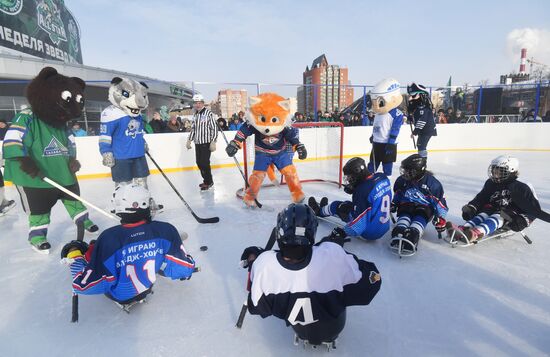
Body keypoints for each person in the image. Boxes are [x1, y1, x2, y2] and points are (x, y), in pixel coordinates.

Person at [240, 203, 381, 347]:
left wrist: (254, 261)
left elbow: (256, 306)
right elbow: (372, 281)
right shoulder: (332, 254)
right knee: (340, 286)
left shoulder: (264, 264)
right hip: (334, 327)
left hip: (300, 328)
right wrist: (335, 250)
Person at [61, 184, 196, 307]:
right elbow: (185, 269)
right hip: (146, 288)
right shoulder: (166, 230)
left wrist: (75, 256)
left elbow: (83, 286)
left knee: (97, 251)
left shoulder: (108, 238)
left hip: (121, 296)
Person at [447, 155, 550, 242]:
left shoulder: (522, 186)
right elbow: (482, 197)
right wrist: (472, 207)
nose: (495, 174)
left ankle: (476, 233)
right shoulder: (491, 182)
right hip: (493, 207)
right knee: (483, 213)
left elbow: (533, 210)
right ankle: (465, 228)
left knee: (498, 216)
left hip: (511, 214)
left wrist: (523, 220)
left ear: (510, 171)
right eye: (494, 170)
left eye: (499, 172)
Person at [308, 157, 392, 241]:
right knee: (353, 205)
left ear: (358, 173)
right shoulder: (382, 177)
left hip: (370, 233)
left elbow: (359, 225)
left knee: (338, 205)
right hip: (384, 227)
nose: (348, 179)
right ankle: (325, 210)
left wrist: (343, 232)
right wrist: (356, 188)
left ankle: (320, 211)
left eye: (350, 177)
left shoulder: (362, 191)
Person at [390, 154, 448, 254]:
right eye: (405, 170)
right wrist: (394, 203)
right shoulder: (401, 180)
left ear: (418, 171)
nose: (405, 173)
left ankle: (414, 233)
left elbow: (440, 203)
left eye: (408, 171)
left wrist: (441, 218)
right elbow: (398, 194)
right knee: (401, 223)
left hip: (424, 208)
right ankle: (401, 228)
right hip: (406, 205)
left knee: (419, 218)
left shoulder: (433, 184)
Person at [369, 78, 405, 176]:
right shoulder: (378, 113)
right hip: (377, 143)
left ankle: (387, 180)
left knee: (387, 165)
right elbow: (377, 126)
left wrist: (391, 142)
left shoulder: (396, 113)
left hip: (388, 144)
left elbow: (395, 128)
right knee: (372, 164)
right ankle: (369, 180)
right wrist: (373, 135)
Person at [186, 94, 218, 191]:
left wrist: (213, 141)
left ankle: (209, 181)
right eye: (196, 103)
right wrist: (189, 140)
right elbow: (194, 129)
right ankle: (206, 180)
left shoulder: (209, 114)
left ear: (203, 103)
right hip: (197, 143)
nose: (198, 105)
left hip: (206, 143)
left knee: (204, 163)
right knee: (199, 163)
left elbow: (214, 129)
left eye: (199, 103)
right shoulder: (195, 115)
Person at [407, 83, 437, 159]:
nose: (411, 97)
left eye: (414, 95)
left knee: (421, 145)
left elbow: (422, 121)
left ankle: (423, 162)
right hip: (423, 130)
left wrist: (415, 132)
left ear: (421, 94)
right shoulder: (418, 105)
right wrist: (410, 116)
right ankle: (422, 161)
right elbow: (412, 111)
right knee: (420, 145)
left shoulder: (424, 107)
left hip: (426, 129)